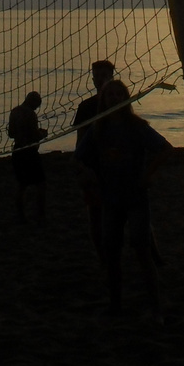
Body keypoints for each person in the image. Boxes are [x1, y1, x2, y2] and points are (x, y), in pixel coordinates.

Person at [75, 78, 171, 322]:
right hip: (110, 198)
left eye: (120, 94)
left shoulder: (136, 126)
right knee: (112, 252)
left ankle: (155, 308)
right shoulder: (97, 128)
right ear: (104, 100)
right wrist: (88, 176)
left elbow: (164, 148)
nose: (115, 98)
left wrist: (148, 175)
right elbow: (78, 159)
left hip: (135, 196)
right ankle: (115, 305)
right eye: (111, 95)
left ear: (126, 99)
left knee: (141, 249)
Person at [72, 60, 116, 252]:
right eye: (97, 76)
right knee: (95, 214)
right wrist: (80, 165)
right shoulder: (86, 106)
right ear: (92, 79)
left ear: (111, 77)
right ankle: (101, 255)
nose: (100, 79)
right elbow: (80, 138)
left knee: (125, 211)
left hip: (116, 165)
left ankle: (152, 252)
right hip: (93, 166)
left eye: (104, 75)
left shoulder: (120, 102)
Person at [7, 91, 48, 224]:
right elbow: (34, 136)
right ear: (33, 102)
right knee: (41, 184)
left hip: (17, 151)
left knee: (21, 185)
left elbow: (11, 134)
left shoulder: (14, 111)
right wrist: (43, 134)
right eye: (37, 105)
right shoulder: (31, 114)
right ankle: (40, 214)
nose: (37, 108)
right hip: (29, 152)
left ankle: (21, 216)